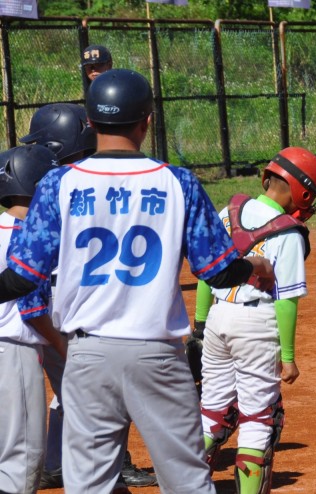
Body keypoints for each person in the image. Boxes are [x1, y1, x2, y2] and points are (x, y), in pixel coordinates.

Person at [0, 68, 274, 493]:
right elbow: (218, 270)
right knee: (186, 479)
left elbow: (22, 278)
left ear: (90, 123)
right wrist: (254, 267)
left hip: (86, 356)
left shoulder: (58, 184)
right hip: (157, 355)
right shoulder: (178, 182)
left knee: (89, 484)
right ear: (147, 121)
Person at [19, 102, 158, 489]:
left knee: (71, 392)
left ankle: (53, 462)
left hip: (38, 310)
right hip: (66, 314)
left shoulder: (50, 183)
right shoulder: (77, 183)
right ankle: (111, 469)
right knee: (103, 393)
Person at [196, 146, 316, 494]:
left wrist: (199, 323)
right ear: (299, 191)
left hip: (217, 317)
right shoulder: (288, 232)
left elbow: (206, 273)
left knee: (213, 411)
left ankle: (183, 483)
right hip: (256, 323)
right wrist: (287, 357)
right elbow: (285, 300)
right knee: (259, 417)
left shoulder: (229, 211)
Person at [0, 144, 62, 494]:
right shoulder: (30, 234)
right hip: (14, 350)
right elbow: (31, 308)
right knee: (21, 460)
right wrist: (61, 345)